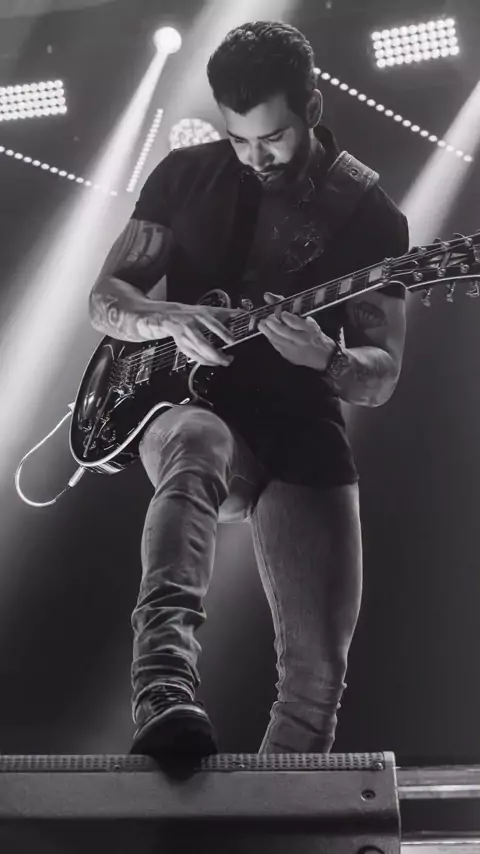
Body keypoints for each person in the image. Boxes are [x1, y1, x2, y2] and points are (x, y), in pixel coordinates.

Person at [88, 20, 409, 762]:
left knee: (317, 680)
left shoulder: (369, 213)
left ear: (313, 108)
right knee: (198, 439)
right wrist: (168, 317)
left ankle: (260, 817)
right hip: (192, 408)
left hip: (302, 426)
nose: (256, 157)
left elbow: (383, 373)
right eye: (239, 140)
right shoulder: (184, 175)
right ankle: (162, 687)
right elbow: (107, 296)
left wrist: (328, 357)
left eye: (273, 138)